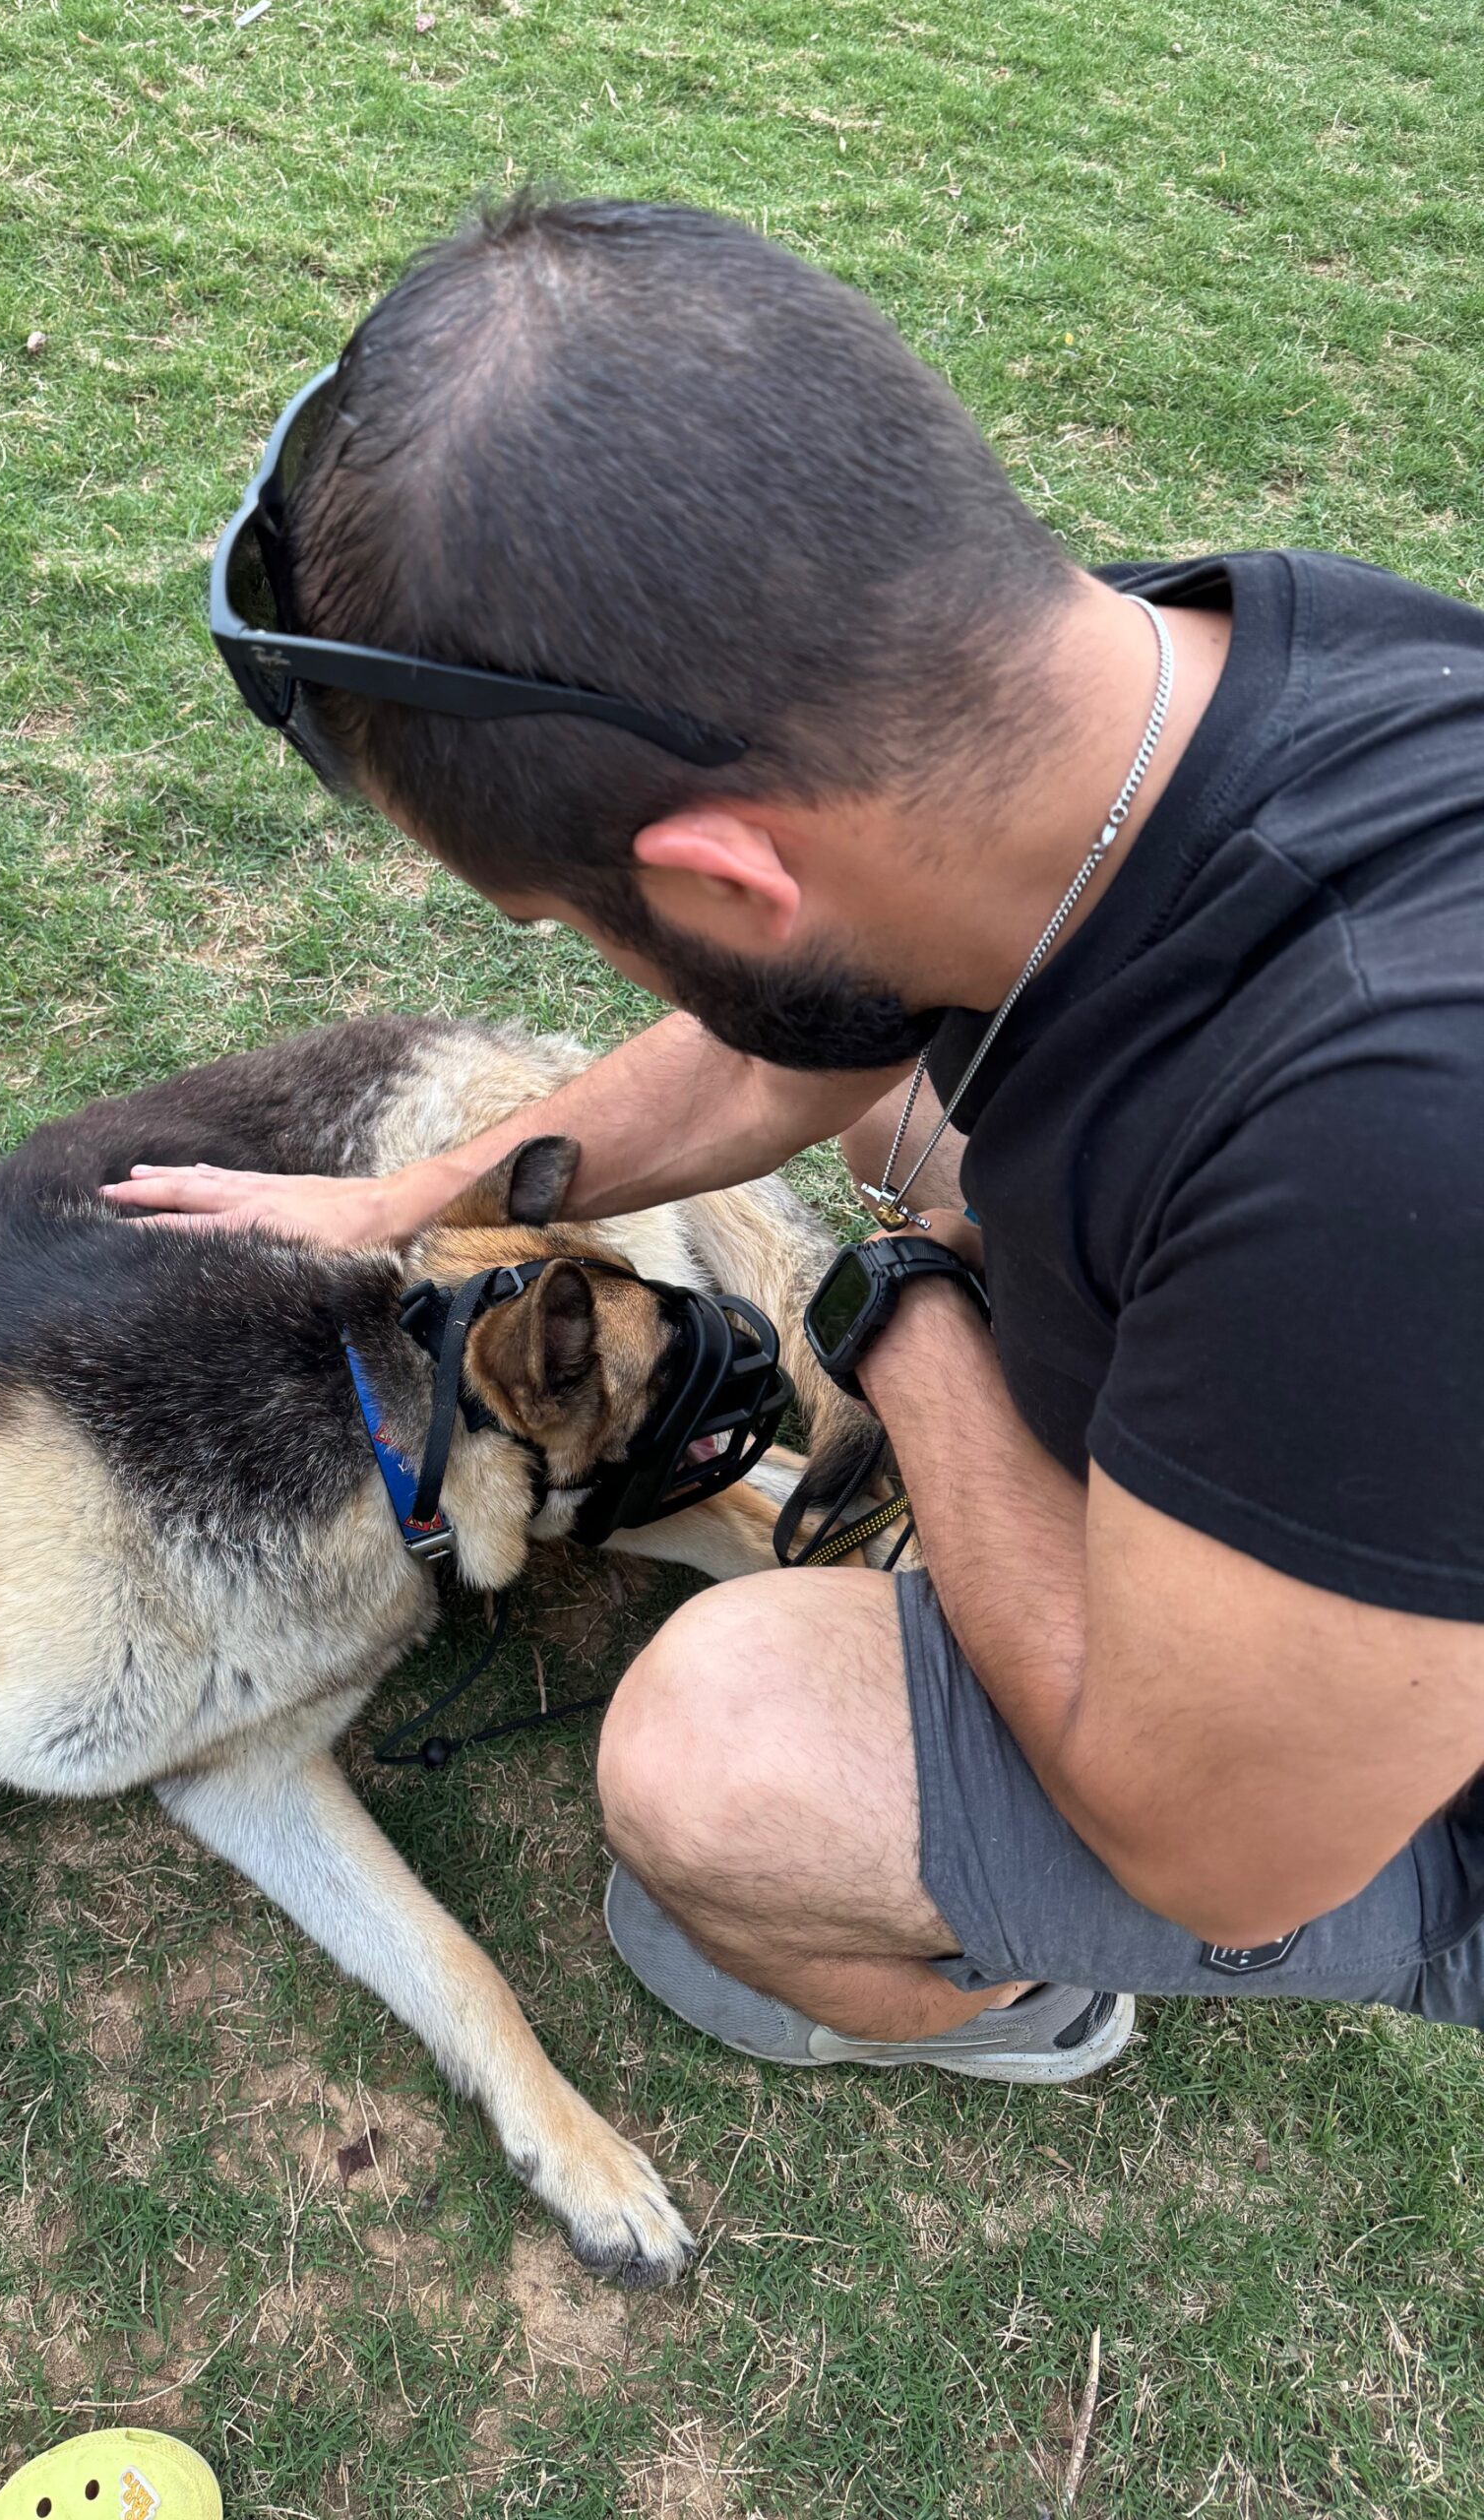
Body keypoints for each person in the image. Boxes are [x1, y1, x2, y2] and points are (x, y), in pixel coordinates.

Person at [104, 196, 1484, 2080]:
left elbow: (1221, 1855)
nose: (608, 972)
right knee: (915, 1092)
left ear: (730, 878)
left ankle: (1025, 1998)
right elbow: (786, 1052)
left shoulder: (1388, 1158)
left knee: (724, 1767)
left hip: (1369, 1802)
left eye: (585, 927)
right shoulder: (1148, 695)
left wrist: (909, 1303)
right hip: (1372, 1415)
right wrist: (418, 1197)